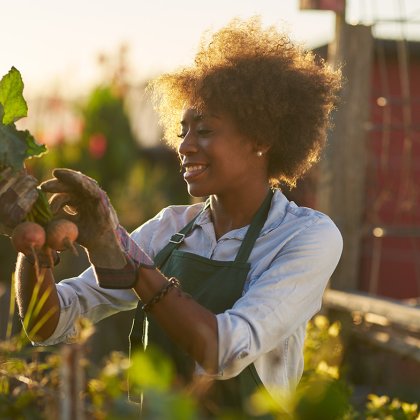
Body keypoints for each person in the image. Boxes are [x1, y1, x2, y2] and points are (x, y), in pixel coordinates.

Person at [1, 17, 343, 417]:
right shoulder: (171, 228)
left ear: (261, 138)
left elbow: (225, 350)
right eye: (182, 129)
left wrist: (131, 263)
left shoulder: (305, 237)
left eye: (204, 130)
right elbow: (47, 324)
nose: (184, 145)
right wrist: (34, 244)